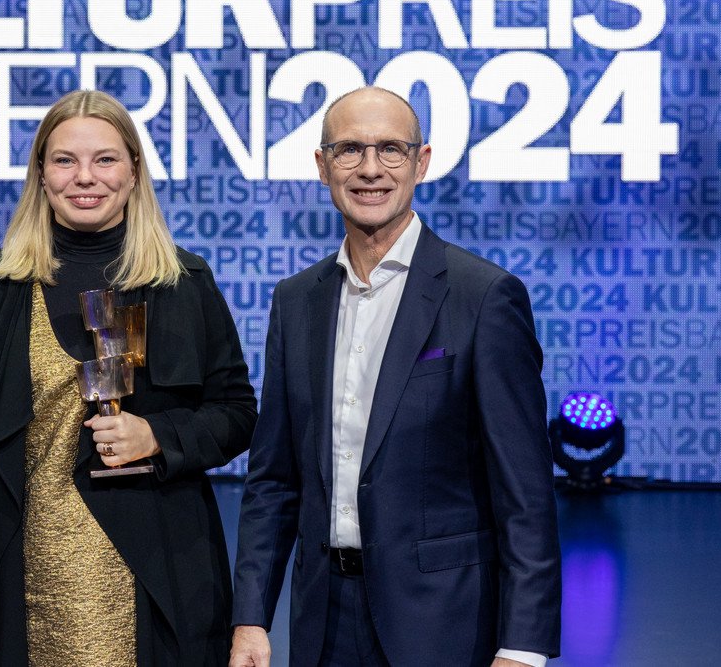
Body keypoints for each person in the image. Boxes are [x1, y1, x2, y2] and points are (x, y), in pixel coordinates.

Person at [230, 86, 560, 667]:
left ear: (421, 162)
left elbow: (524, 494)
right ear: (322, 165)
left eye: (391, 150)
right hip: (322, 621)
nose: (370, 169)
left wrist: (524, 646)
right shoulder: (295, 300)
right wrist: (252, 617)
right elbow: (274, 480)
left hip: (443, 624)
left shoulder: (484, 297)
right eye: (349, 150)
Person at [0, 90, 257, 666]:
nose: (85, 177)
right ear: (40, 173)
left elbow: (236, 413)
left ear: (134, 169)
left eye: (106, 159)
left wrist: (159, 436)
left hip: (161, 574)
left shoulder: (183, 281)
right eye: (64, 160)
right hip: (23, 577)